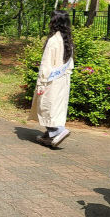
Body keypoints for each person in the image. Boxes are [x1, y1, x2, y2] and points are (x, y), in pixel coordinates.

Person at [29, 10, 74, 148]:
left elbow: (46, 64)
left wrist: (41, 83)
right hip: (63, 80)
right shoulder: (68, 40)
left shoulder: (53, 40)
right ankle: (49, 135)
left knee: (46, 107)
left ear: (54, 22)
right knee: (57, 108)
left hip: (51, 80)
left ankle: (58, 131)